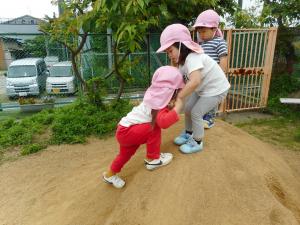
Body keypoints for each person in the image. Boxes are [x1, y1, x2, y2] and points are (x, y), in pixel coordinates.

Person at [103, 66, 185, 188]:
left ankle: (109, 175)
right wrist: (178, 107)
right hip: (128, 130)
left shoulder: (155, 99)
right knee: (154, 127)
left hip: (124, 129)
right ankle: (153, 159)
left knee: (124, 155)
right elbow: (163, 122)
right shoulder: (158, 104)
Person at [156, 23, 230, 154]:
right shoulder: (182, 63)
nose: (169, 55)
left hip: (217, 89)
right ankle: (189, 133)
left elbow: (195, 81)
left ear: (181, 45)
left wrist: (179, 97)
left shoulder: (193, 57)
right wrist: (172, 97)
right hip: (204, 89)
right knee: (189, 108)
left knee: (196, 112)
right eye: (167, 52)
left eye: (170, 51)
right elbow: (180, 83)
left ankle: (197, 141)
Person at [194, 9, 228, 129]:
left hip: (214, 77)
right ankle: (202, 116)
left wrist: (221, 73)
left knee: (212, 96)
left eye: (204, 31)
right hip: (203, 77)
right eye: (199, 32)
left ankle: (209, 118)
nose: (201, 34)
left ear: (214, 29)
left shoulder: (219, 42)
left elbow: (223, 59)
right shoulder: (200, 44)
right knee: (202, 97)